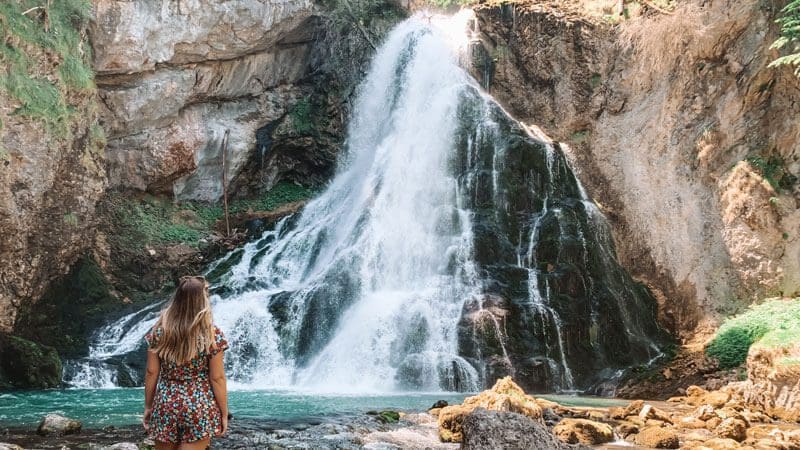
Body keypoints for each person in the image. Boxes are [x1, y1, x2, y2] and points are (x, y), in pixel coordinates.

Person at [142, 275, 230, 450]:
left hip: (166, 402)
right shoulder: (211, 335)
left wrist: (148, 406)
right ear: (202, 300)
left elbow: (152, 372)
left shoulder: (159, 332)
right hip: (199, 406)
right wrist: (224, 413)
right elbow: (217, 378)